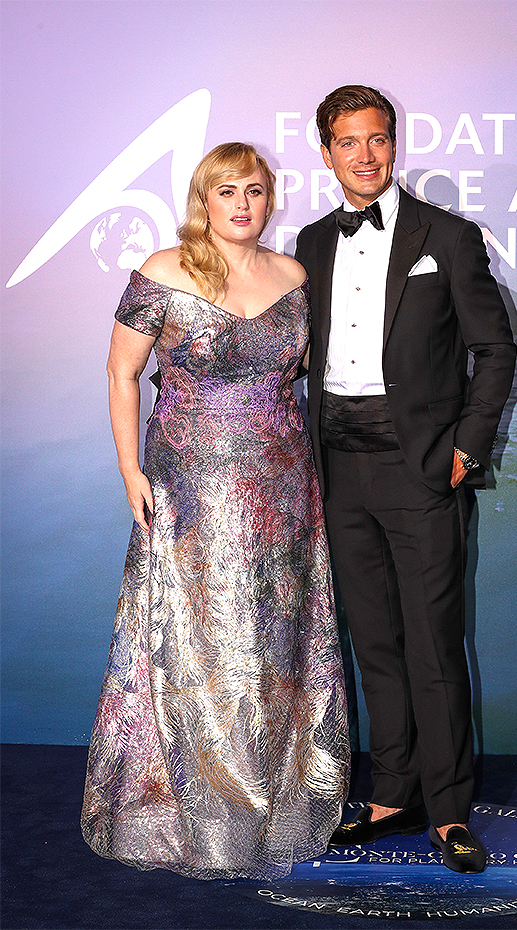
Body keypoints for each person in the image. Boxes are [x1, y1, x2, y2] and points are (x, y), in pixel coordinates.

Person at [81, 143, 350, 881]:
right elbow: (122, 372)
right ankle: (196, 811)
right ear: (204, 199)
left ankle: (279, 799)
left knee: (277, 638)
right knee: (199, 639)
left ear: (271, 199)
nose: (242, 204)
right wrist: (130, 468)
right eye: (227, 191)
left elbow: (304, 373)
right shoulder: (164, 271)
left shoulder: (294, 277)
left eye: (254, 191)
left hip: (284, 487)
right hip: (191, 489)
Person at [295, 86, 517, 874]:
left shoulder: (447, 237)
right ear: (326, 151)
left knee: (432, 643)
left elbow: (496, 349)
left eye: (377, 138)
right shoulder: (310, 242)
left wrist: (468, 445)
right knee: (376, 641)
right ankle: (394, 793)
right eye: (348, 141)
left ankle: (449, 809)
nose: (365, 155)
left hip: (421, 466)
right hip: (338, 467)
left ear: (395, 143)